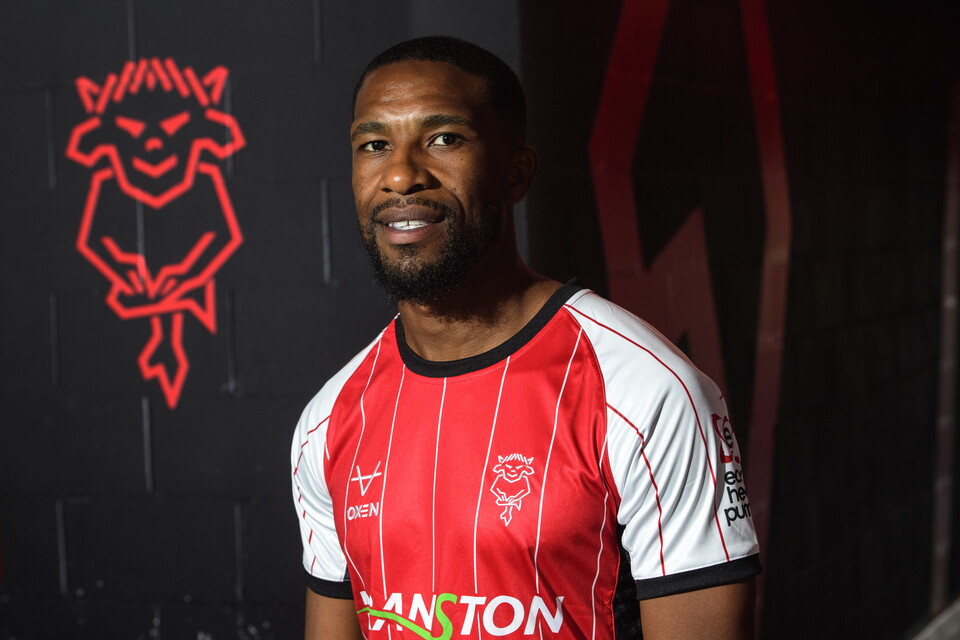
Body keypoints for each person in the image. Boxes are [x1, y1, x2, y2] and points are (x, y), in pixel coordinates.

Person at [291, 35, 761, 640]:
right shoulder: (327, 423)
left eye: (444, 139)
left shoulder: (647, 394)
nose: (402, 173)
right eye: (375, 145)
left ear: (517, 174)